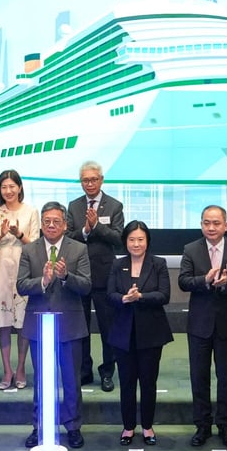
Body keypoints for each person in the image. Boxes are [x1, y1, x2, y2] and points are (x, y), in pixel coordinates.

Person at [17, 201, 92, 450]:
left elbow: (86, 286)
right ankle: (40, 426)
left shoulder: (78, 249)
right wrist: (44, 280)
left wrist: (65, 277)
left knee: (71, 380)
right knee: (42, 379)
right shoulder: (30, 251)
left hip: (69, 324)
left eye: (56, 221)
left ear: (65, 224)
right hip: (39, 325)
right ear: (42, 224)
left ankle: (72, 427)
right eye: (46, 221)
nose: (51, 225)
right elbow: (21, 285)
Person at [178, 204, 227, 449]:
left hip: (226, 324)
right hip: (199, 324)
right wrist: (205, 280)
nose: (211, 227)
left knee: (226, 377)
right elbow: (184, 281)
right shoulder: (191, 249)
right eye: (207, 223)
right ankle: (202, 425)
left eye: (216, 223)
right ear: (201, 224)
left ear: (226, 225)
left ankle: (225, 424)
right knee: (199, 377)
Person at [106, 220, 172, 446]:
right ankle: (127, 427)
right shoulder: (117, 264)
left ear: (147, 241)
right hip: (123, 332)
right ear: (125, 241)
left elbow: (164, 295)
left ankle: (147, 426)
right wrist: (124, 298)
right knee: (126, 382)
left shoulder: (158, 264)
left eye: (140, 239)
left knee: (148, 382)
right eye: (132, 239)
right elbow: (110, 294)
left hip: (151, 333)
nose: (136, 244)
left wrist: (141, 297)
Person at [67, 160, 124, 392]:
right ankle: (84, 370)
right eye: (85, 180)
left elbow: (119, 239)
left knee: (107, 326)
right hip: (78, 274)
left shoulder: (114, 205)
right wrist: (85, 231)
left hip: (104, 275)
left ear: (101, 179)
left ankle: (108, 371)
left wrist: (97, 227)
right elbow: (69, 237)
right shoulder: (74, 206)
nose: (89, 184)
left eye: (93, 179)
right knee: (81, 326)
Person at [0, 169, 40, 391]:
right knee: (3, 322)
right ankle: (7, 369)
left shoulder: (31, 211)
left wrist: (17, 234)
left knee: (23, 322)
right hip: (0, 269)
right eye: (4, 187)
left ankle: (21, 367)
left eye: (12, 186)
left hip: (24, 267)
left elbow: (35, 244)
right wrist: (0, 235)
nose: (8, 191)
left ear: (20, 187)